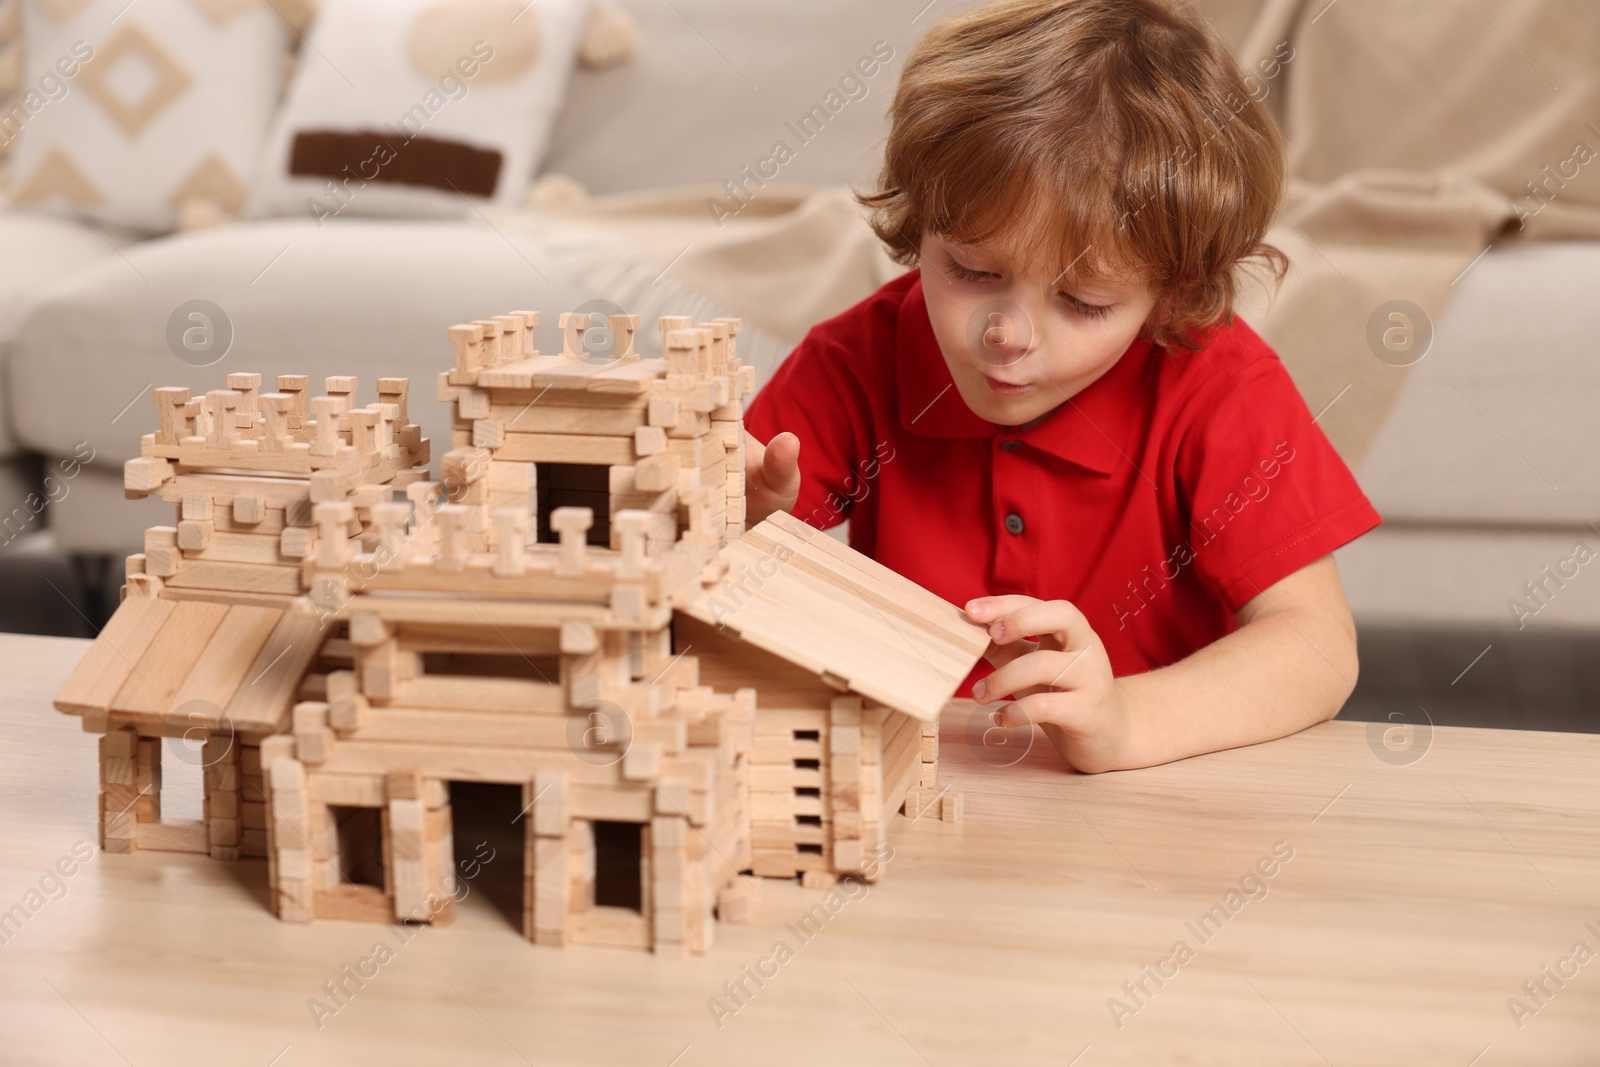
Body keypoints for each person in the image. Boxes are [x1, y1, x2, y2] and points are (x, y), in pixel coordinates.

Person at [739, 0, 1380, 773]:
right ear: (921, 225)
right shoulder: (854, 360)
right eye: (972, 271)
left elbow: (1315, 645)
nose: (1005, 335)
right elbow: (706, 586)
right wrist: (731, 526)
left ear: (1171, 295)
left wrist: (1128, 720)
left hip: (1155, 811)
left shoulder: (1221, 386)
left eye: (1083, 303)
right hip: (924, 795)